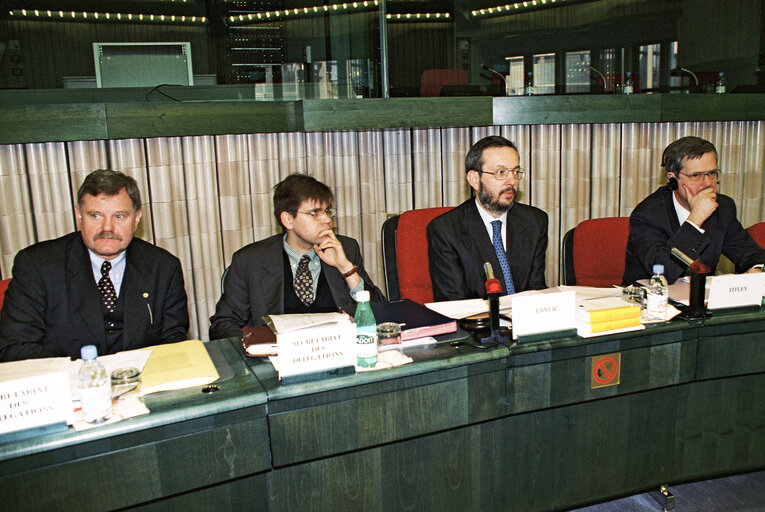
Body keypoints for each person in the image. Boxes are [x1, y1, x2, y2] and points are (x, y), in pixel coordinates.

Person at [0, 169, 189, 362]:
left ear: (137, 218)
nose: (107, 228)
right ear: (79, 215)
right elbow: (16, 348)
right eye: (96, 216)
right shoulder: (37, 266)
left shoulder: (164, 267)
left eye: (119, 216)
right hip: (69, 386)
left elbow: (173, 343)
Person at [209, 174, 384, 339]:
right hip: (279, 362)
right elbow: (223, 324)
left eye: (327, 211)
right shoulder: (251, 261)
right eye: (315, 213)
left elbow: (381, 314)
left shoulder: (346, 249)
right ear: (288, 220)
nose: (327, 220)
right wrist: (257, 346)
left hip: (340, 355)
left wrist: (346, 268)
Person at [622, 136, 765, 285]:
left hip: (701, 301)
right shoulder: (647, 216)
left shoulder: (723, 207)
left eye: (711, 173)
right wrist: (695, 219)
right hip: (650, 301)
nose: (708, 184)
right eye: (696, 176)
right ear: (672, 179)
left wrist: (756, 269)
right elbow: (664, 272)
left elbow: (750, 254)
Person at [427, 135, 548, 301]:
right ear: (475, 180)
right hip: (474, 325)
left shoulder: (535, 222)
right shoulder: (446, 230)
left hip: (525, 323)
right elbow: (454, 305)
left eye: (515, 171)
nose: (512, 181)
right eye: (501, 172)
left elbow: (536, 291)